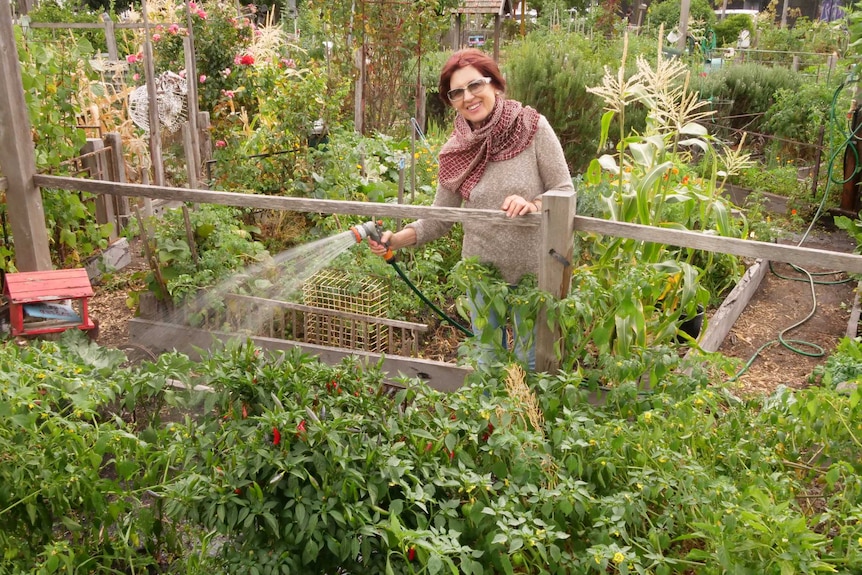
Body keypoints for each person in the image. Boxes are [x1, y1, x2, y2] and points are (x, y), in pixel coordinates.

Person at [368, 48, 573, 370]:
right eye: (457, 92)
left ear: (495, 85)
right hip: (480, 275)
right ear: (450, 101)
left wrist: (532, 204)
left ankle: (525, 419)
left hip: (533, 273)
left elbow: (564, 190)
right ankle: (492, 420)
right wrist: (394, 241)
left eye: (475, 85)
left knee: (529, 359)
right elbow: (439, 220)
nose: (469, 97)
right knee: (487, 360)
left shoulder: (532, 127)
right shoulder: (455, 151)